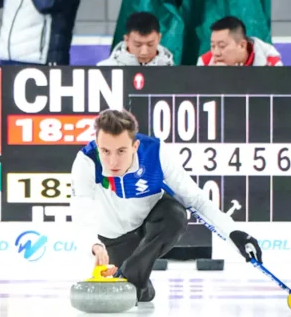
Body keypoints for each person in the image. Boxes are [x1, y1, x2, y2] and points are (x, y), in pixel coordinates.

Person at [70, 108, 262, 303]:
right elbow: (81, 211)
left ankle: (128, 278)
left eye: (121, 151)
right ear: (97, 145)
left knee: (175, 214)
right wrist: (94, 245)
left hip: (149, 228)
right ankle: (135, 281)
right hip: (113, 237)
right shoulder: (87, 161)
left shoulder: (155, 154)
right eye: (105, 151)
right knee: (143, 294)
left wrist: (233, 232)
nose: (112, 161)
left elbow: (196, 200)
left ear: (135, 146)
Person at [197, 17, 283, 67]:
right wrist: (212, 77)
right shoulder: (205, 62)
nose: (216, 53)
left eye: (222, 46)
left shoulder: (269, 62)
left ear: (242, 45)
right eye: (213, 46)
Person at [97, 12, 174, 67]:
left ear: (159, 38)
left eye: (150, 44)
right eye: (138, 45)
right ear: (126, 40)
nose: (144, 52)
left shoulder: (174, 74)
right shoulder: (104, 71)